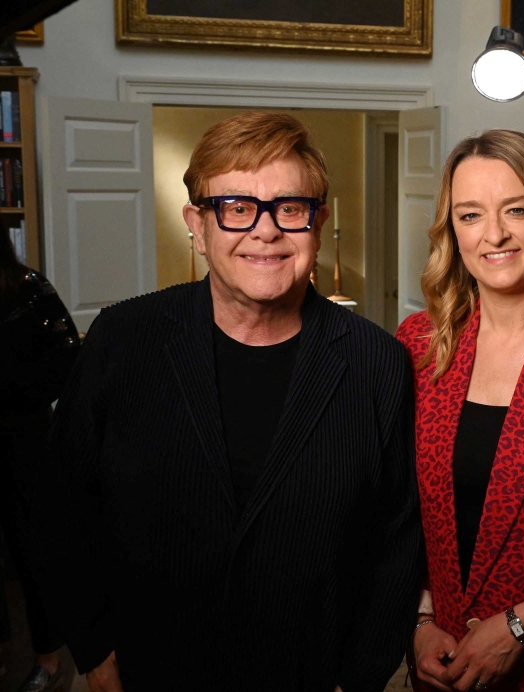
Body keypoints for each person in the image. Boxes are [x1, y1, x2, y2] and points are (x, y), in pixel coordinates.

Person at [38, 112, 422, 692]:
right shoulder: (123, 341)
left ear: (316, 224)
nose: (265, 231)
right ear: (197, 224)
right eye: (237, 208)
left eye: (289, 208)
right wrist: (95, 649)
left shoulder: (377, 364)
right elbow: (62, 507)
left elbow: (396, 544)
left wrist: (359, 677)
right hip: (148, 672)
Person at [396, 129, 524, 691]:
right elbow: (397, 514)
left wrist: (520, 625)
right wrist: (417, 622)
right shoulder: (419, 345)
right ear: (452, 231)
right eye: (469, 216)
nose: (494, 234)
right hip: (441, 669)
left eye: (517, 209)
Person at [0, 233, 79, 692]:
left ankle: (48, 660)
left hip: (23, 440)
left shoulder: (27, 288)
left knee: (35, 553)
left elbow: (66, 357)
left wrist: (12, 396)